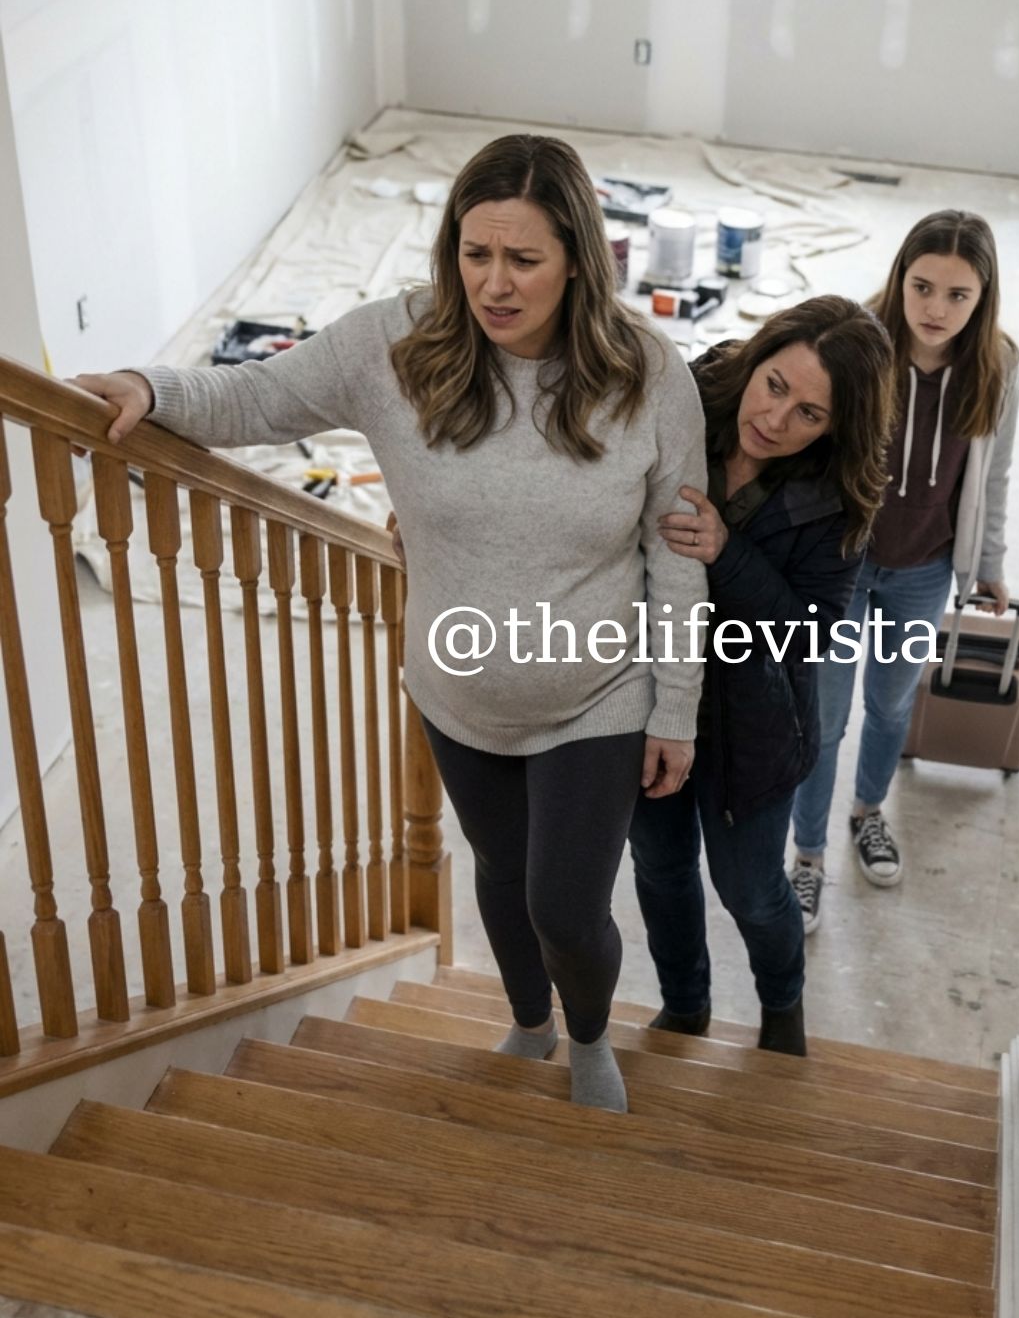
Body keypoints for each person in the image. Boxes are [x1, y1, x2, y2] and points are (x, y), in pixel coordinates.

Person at [72, 134, 707, 1114]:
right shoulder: (393, 346)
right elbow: (261, 395)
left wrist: (676, 708)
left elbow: (677, 553)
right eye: (474, 252)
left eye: (524, 259)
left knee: (566, 908)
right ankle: (530, 1022)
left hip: (598, 691)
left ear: (580, 260)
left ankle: (587, 1037)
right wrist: (155, 388)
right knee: (499, 873)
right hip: (456, 693)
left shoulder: (651, 375)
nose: (494, 283)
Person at [628, 296, 894, 1056]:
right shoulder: (691, 389)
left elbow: (811, 635)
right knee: (660, 867)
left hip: (756, 727)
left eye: (809, 414)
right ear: (757, 356)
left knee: (748, 889)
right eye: (774, 385)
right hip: (650, 696)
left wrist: (728, 554)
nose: (775, 420)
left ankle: (782, 1010)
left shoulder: (842, 495)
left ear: (836, 427)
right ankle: (685, 1007)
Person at [790, 210, 1019, 930]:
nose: (936, 309)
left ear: (982, 298)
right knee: (823, 719)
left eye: (958, 295)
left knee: (891, 707)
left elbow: (994, 474)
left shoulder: (997, 365)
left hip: (924, 570)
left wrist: (987, 564)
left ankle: (868, 813)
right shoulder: (859, 342)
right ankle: (807, 855)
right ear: (899, 278)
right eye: (922, 286)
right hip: (842, 567)